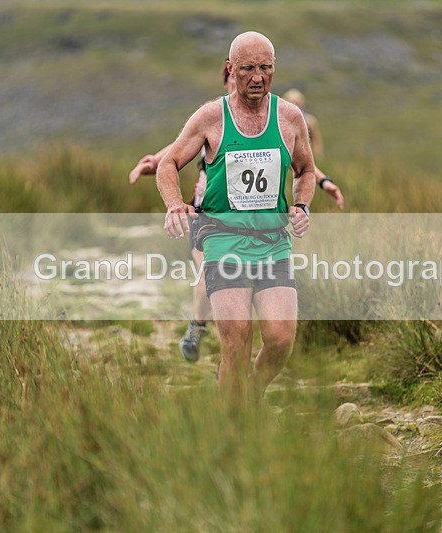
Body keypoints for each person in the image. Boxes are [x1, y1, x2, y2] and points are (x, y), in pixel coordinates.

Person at [130, 62, 343, 364]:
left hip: (258, 228)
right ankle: (198, 327)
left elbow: (300, 159)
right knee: (207, 276)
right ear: (228, 81)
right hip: (208, 220)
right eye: (234, 79)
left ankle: (229, 352)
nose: (243, 85)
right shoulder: (214, 118)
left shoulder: (269, 119)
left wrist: (323, 182)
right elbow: (175, 150)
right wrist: (153, 162)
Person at [156, 31, 315, 404]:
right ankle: (233, 423)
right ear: (231, 69)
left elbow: (306, 170)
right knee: (237, 339)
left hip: (273, 241)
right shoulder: (211, 117)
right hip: (223, 238)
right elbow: (169, 163)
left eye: (265, 68)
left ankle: (253, 394)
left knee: (280, 339)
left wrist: (302, 205)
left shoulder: (289, 118)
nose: (257, 78)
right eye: (247, 69)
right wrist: (175, 204)